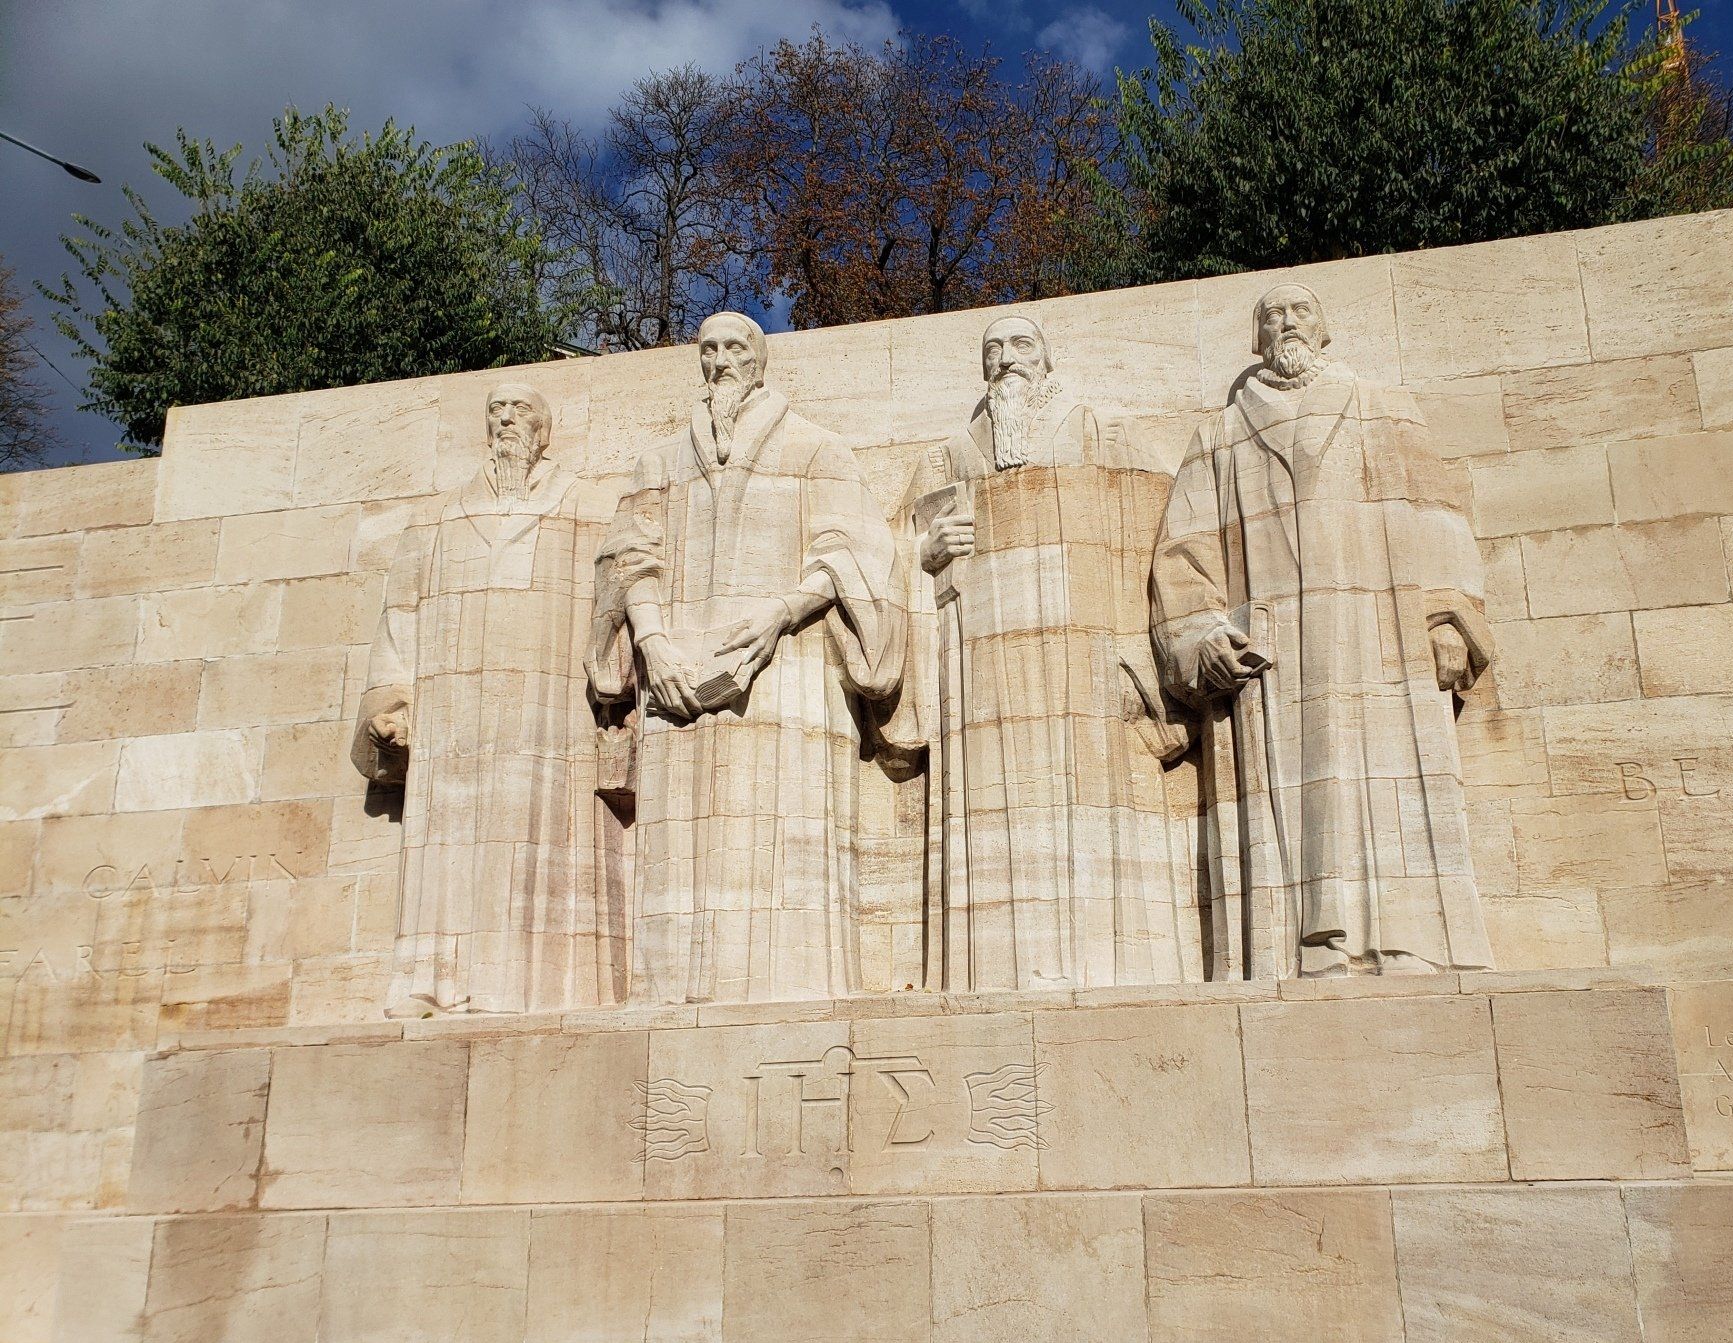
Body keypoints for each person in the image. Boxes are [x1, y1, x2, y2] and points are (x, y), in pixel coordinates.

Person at [1150, 284, 1497, 978]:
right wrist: (1203, 639)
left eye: (1300, 310)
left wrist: (1449, 622)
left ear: (1326, 326)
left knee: (1389, 778)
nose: (1285, 323)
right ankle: (1301, 954)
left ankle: (1410, 943)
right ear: (1256, 338)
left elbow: (1437, 516)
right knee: (1289, 794)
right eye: (1271, 315)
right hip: (1274, 650)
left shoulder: (1384, 408)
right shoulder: (1218, 435)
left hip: (1381, 636)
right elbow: (1183, 555)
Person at [587, 312, 904, 1003]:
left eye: (736, 348)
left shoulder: (817, 450)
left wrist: (781, 613)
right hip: (674, 680)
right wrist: (650, 641)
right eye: (709, 350)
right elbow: (626, 558)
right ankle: (672, 1001)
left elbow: (855, 552)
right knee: (680, 858)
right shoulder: (659, 463)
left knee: (787, 847)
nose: (721, 361)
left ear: (760, 363)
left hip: (787, 677)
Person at [883, 316, 1200, 990]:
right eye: (991, 350)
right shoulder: (943, 459)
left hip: (1080, 665)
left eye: (1020, 345)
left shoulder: (1098, 433)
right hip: (978, 679)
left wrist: (1135, 656)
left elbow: (1163, 532)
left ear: (1048, 360)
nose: (1005, 360)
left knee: (1097, 825)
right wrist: (923, 554)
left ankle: (1115, 974)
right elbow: (890, 558)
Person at [355, 383, 627, 1014]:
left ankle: (532, 986)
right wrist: (394, 704)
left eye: (521, 411)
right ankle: (431, 980)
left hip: (549, 712)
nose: (507, 421)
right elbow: (400, 620)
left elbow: (620, 602)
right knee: (446, 842)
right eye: (496, 412)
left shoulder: (586, 508)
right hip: (456, 715)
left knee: (546, 837)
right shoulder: (438, 519)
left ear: (545, 430)